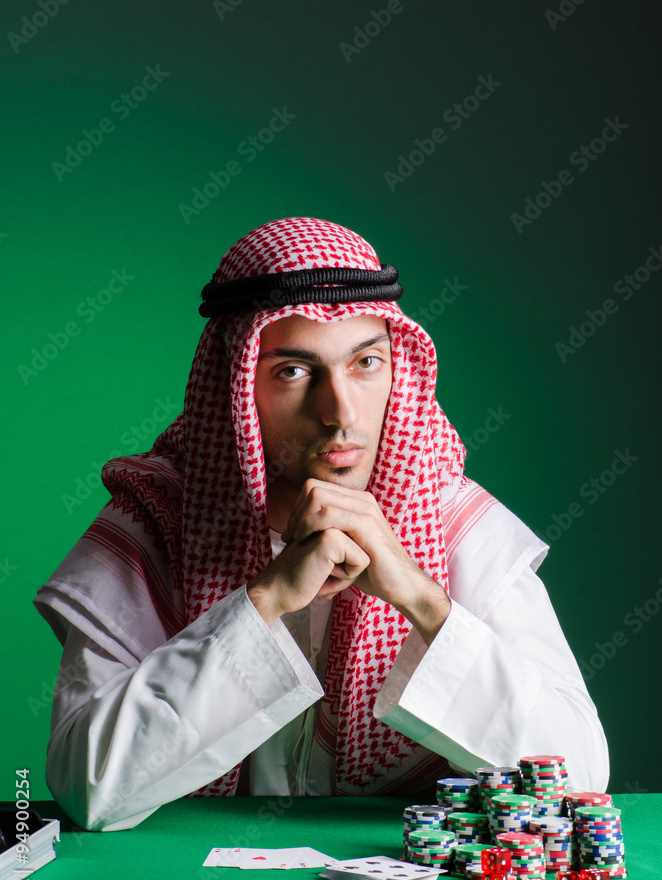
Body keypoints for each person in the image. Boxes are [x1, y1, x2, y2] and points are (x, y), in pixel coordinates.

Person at [34, 217, 609, 832]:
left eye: (366, 362)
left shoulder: (454, 522)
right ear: (234, 386)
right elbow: (87, 787)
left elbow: (576, 777)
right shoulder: (156, 520)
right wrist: (265, 600)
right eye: (293, 371)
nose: (340, 411)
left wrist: (421, 598)